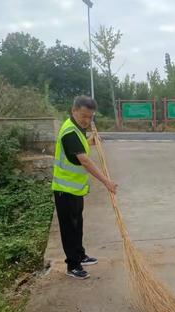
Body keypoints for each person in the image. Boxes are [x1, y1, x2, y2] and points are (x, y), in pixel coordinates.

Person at [52, 96, 117, 279]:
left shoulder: (77, 129)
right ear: (73, 111)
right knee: (69, 229)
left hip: (75, 189)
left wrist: (90, 141)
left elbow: (78, 148)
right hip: (64, 190)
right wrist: (106, 181)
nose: (87, 121)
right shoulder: (70, 131)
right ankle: (73, 265)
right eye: (83, 116)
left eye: (90, 117)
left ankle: (80, 255)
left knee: (77, 224)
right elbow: (85, 161)